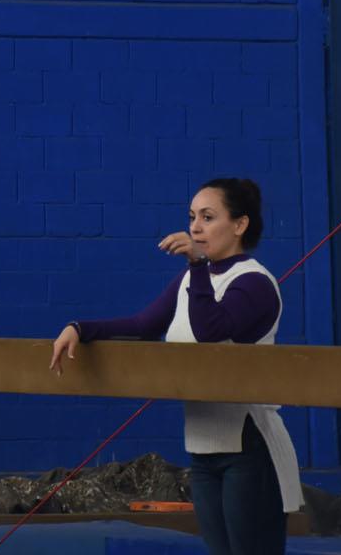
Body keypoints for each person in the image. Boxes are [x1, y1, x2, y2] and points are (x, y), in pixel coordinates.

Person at [48, 178, 302, 555]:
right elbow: (142, 327)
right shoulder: (191, 280)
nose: (195, 227)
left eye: (208, 216)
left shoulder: (254, 282)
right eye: (192, 217)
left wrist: (197, 265)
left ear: (239, 224)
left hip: (249, 447)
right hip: (202, 449)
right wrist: (80, 328)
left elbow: (210, 333)